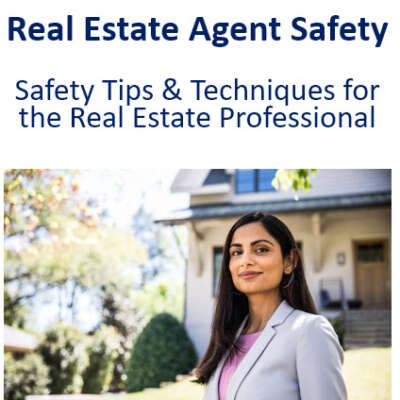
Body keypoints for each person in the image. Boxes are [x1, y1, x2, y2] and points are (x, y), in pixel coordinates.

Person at [194, 212, 347, 400]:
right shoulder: (226, 339)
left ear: (289, 261)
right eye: (236, 252)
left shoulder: (310, 331)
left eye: (261, 249)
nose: (246, 260)